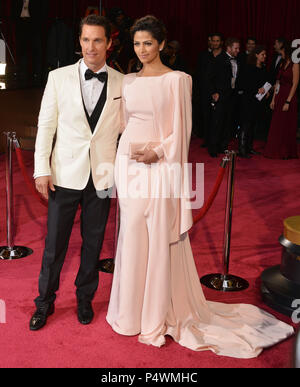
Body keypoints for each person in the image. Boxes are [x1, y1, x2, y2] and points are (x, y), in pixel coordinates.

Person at [106, 15, 294, 359]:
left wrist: (157, 151)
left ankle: (154, 315)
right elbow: (123, 124)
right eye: (136, 43)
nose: (142, 49)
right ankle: (128, 314)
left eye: (148, 43)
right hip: (127, 165)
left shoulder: (178, 80)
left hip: (158, 167)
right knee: (131, 233)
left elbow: (182, 130)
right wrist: (121, 157)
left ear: (162, 44)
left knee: (157, 236)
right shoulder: (128, 80)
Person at [29, 15, 124, 331]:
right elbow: (46, 126)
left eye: (98, 40)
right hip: (64, 175)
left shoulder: (124, 83)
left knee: (93, 245)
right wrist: (41, 169)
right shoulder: (58, 77)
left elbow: (127, 130)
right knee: (54, 245)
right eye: (86, 40)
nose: (91, 47)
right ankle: (44, 303)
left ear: (109, 43)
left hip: (102, 178)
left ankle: (85, 299)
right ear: (79, 41)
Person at [264, 41, 299, 159]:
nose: (281, 54)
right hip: (279, 96)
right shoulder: (281, 64)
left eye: (282, 52)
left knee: (287, 125)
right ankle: (274, 150)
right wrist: (273, 99)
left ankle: (286, 151)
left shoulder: (295, 64)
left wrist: (288, 101)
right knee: (276, 124)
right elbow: (277, 82)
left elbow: (295, 84)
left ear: (287, 51)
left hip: (289, 96)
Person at [207, 37, 241, 157]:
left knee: (228, 122)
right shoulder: (219, 59)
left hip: (232, 96)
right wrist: (214, 92)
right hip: (220, 95)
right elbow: (210, 77)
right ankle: (213, 148)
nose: (238, 50)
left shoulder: (237, 60)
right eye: (236, 48)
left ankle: (223, 146)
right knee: (217, 123)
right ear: (229, 48)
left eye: (238, 48)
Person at [238, 46, 272, 158]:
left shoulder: (263, 68)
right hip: (248, 100)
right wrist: (257, 89)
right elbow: (244, 84)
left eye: (265, 54)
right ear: (256, 55)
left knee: (253, 124)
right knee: (246, 124)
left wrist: (266, 91)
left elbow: (265, 82)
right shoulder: (248, 67)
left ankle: (249, 147)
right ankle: (242, 149)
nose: (264, 56)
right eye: (262, 54)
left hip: (258, 101)